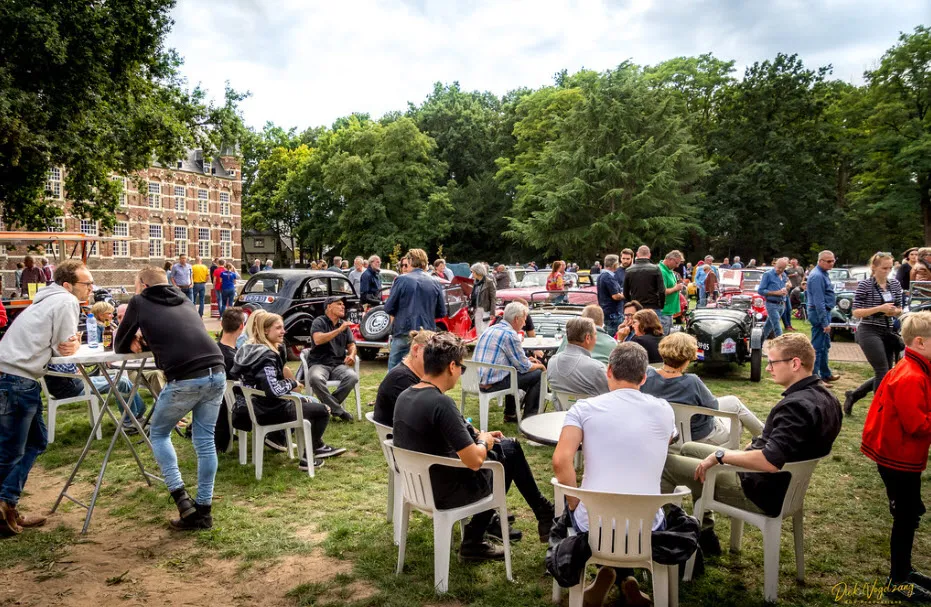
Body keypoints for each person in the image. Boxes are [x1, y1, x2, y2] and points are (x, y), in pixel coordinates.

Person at [662, 333, 842, 552]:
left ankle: (665, 534)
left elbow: (769, 461)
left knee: (665, 464)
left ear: (795, 364)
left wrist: (721, 456)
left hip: (758, 491)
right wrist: (745, 450)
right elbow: (778, 447)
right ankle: (704, 531)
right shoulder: (826, 398)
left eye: (773, 362)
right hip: (780, 485)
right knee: (689, 448)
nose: (768, 368)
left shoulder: (796, 406)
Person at [392, 334, 555, 560]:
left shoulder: (406, 395)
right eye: (462, 367)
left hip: (419, 486)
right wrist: (484, 441)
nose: (461, 373)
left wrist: (480, 435)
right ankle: (480, 537)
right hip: (445, 492)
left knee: (508, 448)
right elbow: (474, 460)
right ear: (451, 366)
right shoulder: (441, 403)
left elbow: (449, 431)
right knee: (506, 454)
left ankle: (540, 514)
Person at [552, 341, 676, 606]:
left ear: (608, 371)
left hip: (594, 524)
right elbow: (663, 442)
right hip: (647, 526)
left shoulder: (583, 408)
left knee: (589, 514)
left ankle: (607, 575)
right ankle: (624, 578)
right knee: (627, 511)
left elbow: (561, 461)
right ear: (644, 377)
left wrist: (574, 503)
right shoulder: (665, 409)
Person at [114, 266, 226, 530]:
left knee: (159, 433)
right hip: (216, 369)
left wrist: (135, 340)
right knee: (205, 441)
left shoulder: (139, 301)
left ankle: (182, 501)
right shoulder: (184, 298)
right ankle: (204, 510)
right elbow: (183, 333)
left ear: (142, 284)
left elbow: (119, 344)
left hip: (185, 376)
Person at [0, 260, 88, 535]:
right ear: (68, 285)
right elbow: (64, 349)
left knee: (35, 442)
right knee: (10, 452)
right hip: (17, 379)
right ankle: (3, 507)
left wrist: (69, 343)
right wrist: (75, 343)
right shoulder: (66, 301)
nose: (90, 288)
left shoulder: (45, 300)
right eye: (86, 283)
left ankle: (7, 504)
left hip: (16, 376)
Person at [860, 312, 931, 602]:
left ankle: (904, 569)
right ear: (920, 342)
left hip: (901, 456)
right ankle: (897, 580)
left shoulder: (916, 368)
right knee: (905, 517)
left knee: (909, 514)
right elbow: (917, 425)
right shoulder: (911, 376)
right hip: (898, 458)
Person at [231, 311, 344, 468]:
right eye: (278, 328)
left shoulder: (248, 349)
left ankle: (315, 447)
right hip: (267, 411)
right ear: (265, 330)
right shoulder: (266, 356)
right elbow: (273, 390)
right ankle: (309, 456)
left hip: (247, 408)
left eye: (283, 328)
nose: (283, 331)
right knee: (322, 410)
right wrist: (292, 383)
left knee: (308, 404)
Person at [641, 332, 764, 445]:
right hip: (698, 437)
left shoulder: (647, 375)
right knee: (737, 421)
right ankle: (765, 439)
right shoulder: (691, 382)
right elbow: (713, 407)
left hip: (663, 432)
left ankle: (765, 437)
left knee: (733, 402)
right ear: (688, 357)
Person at [843, 252, 904, 416]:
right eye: (884, 268)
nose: (887, 271)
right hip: (868, 329)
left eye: (890, 268)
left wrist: (894, 312)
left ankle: (854, 395)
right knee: (882, 370)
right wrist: (879, 309)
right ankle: (879, 410)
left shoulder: (895, 284)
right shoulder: (865, 285)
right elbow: (856, 312)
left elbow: (900, 308)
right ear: (874, 267)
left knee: (887, 372)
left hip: (888, 330)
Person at [473, 302, 545, 422]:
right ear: (516, 319)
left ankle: (510, 413)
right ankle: (530, 419)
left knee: (513, 372)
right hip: (491, 384)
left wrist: (527, 361)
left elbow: (514, 361)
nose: (525, 323)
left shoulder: (491, 329)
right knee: (538, 375)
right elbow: (525, 367)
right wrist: (540, 366)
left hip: (475, 381)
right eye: (524, 319)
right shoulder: (510, 334)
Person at [383, 249, 446, 369]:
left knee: (395, 369)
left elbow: (389, 307)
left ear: (411, 261)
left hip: (403, 330)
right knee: (423, 368)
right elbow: (441, 312)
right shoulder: (435, 281)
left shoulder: (401, 279)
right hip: (426, 332)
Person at [301, 296, 358, 422]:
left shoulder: (344, 325)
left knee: (352, 377)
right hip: (319, 363)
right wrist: (339, 330)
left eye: (343, 304)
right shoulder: (319, 322)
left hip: (338, 364)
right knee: (315, 378)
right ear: (329, 307)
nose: (343, 306)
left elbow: (351, 344)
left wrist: (352, 355)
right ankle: (339, 411)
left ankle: (327, 407)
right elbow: (318, 339)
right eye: (339, 304)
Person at [372, 329, 435, 425]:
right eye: (431, 353)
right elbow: (423, 419)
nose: (436, 360)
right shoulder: (401, 378)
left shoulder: (408, 374)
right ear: (416, 350)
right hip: (395, 432)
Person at [546, 317, 610, 406]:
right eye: (595, 334)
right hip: (591, 412)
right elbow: (609, 397)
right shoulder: (597, 368)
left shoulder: (552, 362)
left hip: (562, 412)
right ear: (587, 338)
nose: (597, 338)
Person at [807, 250, 840, 381]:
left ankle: (825, 374)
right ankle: (815, 377)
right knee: (817, 347)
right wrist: (825, 322)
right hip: (819, 313)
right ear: (820, 261)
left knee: (825, 345)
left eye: (833, 261)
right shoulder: (817, 276)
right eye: (829, 261)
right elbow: (819, 301)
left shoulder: (823, 273)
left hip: (824, 312)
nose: (832, 263)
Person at [623, 245, 665, 313]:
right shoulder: (656, 269)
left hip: (636, 307)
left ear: (637, 254)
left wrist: (632, 302)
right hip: (653, 306)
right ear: (649, 255)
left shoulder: (629, 270)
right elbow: (661, 291)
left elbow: (625, 292)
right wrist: (661, 305)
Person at [758, 258, 789, 340]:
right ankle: (782, 345)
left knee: (768, 326)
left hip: (781, 304)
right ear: (775, 264)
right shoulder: (767, 274)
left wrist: (786, 289)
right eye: (779, 267)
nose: (780, 270)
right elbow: (760, 290)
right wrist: (776, 293)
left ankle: (758, 343)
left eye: (783, 268)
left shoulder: (784, 275)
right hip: (771, 304)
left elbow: (784, 286)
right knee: (777, 327)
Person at [659, 251, 686, 334]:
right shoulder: (662, 271)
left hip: (668, 311)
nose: (677, 266)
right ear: (670, 259)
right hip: (663, 311)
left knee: (668, 336)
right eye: (676, 263)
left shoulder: (669, 270)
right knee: (664, 337)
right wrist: (676, 288)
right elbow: (662, 291)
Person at [597, 254, 625, 337]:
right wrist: (626, 294)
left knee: (608, 334)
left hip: (606, 311)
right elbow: (615, 296)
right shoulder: (608, 277)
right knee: (614, 336)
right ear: (615, 264)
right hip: (613, 313)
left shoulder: (601, 275)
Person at [470, 262, 496, 336]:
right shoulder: (475, 282)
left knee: (483, 331)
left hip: (485, 310)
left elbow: (493, 298)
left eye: (473, 272)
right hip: (477, 310)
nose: (472, 274)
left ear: (478, 272)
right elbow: (473, 296)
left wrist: (492, 312)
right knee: (478, 332)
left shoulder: (489, 282)